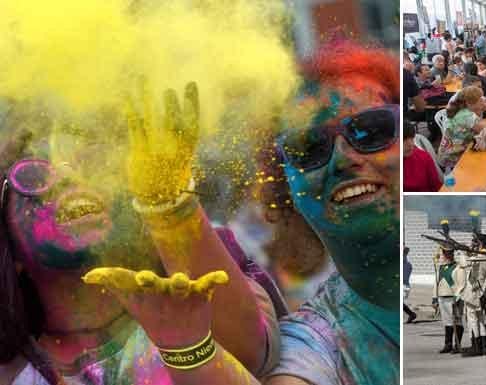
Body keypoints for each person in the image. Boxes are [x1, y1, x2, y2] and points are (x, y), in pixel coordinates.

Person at [0, 89, 287, 384]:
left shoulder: (201, 260)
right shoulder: (12, 372)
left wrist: (167, 202)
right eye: (34, 176)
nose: (69, 178)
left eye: (89, 164)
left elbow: (253, 355)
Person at [264, 40, 400, 384]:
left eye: (372, 129)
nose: (343, 158)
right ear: (287, 189)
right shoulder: (313, 345)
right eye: (307, 146)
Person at [437, 86, 486, 170]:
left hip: (449, 152)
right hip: (454, 158)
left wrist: (481, 110)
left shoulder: (460, 108)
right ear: (469, 103)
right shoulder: (467, 116)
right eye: (480, 100)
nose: (483, 101)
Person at [432, 242, 465, 354]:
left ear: (452, 254)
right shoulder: (440, 268)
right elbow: (436, 284)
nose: (447, 255)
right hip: (442, 297)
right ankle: (448, 344)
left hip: (453, 299)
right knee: (447, 322)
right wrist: (434, 298)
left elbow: (461, 284)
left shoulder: (457, 267)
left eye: (449, 253)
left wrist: (457, 297)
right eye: (445, 253)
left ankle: (457, 344)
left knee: (457, 321)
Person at [403, 123, 442, 192]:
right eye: (403, 140)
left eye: (412, 139)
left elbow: (436, 185)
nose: (411, 144)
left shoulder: (423, 157)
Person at [404, 247, 418, 324]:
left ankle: (411, 314)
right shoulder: (407, 265)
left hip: (404, 286)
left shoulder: (408, 265)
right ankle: (411, 314)